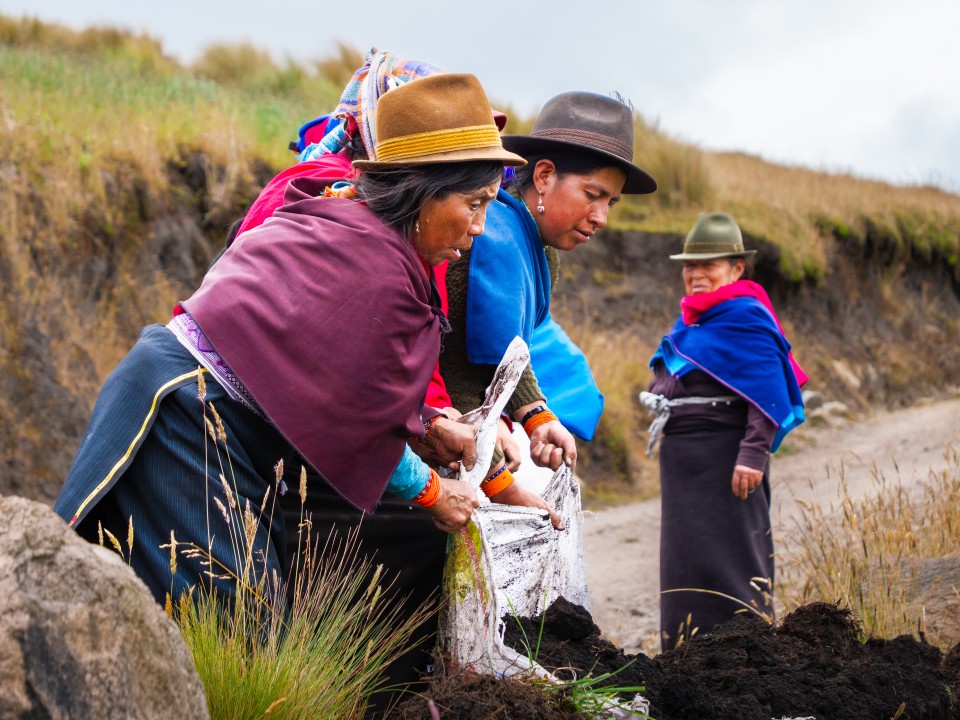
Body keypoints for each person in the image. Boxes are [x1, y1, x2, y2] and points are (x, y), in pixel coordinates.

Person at [53, 73, 528, 610]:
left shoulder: (349, 224)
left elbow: (332, 373)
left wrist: (427, 422)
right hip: (186, 417)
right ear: (420, 194)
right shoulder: (374, 267)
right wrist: (434, 493)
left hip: (185, 400)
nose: (482, 227)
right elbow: (356, 415)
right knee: (228, 624)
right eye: (474, 203)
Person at [440, 90, 658, 487]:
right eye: (592, 195)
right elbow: (452, 362)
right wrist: (488, 445)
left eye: (611, 202)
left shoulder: (542, 251)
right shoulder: (483, 236)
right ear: (543, 176)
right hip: (444, 441)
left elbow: (513, 354)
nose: (602, 217)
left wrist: (538, 416)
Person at [642, 211, 808, 649]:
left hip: (726, 460)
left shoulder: (745, 316)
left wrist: (753, 454)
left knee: (732, 557)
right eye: (690, 265)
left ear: (736, 268)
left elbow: (767, 390)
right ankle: (685, 656)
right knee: (685, 562)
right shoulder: (696, 320)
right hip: (685, 466)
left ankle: (744, 657)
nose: (695, 274)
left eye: (708, 264)